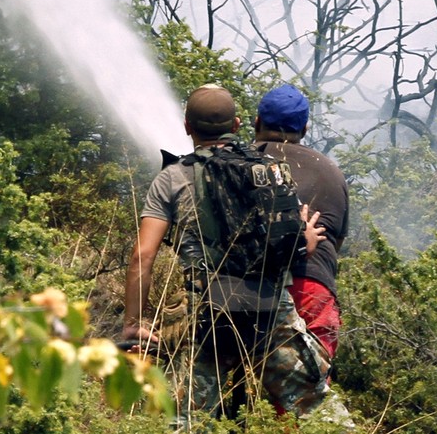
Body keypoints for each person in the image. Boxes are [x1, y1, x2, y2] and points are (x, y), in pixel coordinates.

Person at [122, 84, 331, 420]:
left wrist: (133, 324)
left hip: (207, 316)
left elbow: (142, 257)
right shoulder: (272, 170)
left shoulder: (172, 178)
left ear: (187, 126)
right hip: (271, 312)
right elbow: (294, 245)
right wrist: (306, 238)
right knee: (318, 414)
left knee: (191, 422)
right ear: (236, 125)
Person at [253, 83, 349, 362]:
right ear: (304, 129)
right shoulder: (331, 172)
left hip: (243, 286)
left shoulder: (238, 162)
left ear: (257, 122)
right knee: (311, 379)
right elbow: (336, 243)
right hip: (311, 288)